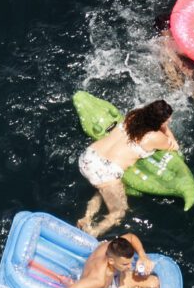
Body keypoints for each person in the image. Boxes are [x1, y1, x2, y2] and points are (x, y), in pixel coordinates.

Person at [77, 100, 179, 237]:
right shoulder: (155, 137)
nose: (170, 120)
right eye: (168, 118)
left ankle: (86, 218)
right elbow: (174, 146)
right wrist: (166, 129)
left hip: (88, 157)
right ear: (159, 121)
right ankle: (92, 233)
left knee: (104, 188)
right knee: (119, 211)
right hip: (106, 171)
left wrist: (161, 123)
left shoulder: (133, 115)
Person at [15, 234, 158, 288]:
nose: (129, 266)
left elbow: (131, 237)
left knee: (154, 283)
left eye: (130, 262)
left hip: (112, 282)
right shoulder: (96, 280)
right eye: (125, 264)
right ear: (111, 261)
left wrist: (143, 256)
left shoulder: (112, 246)